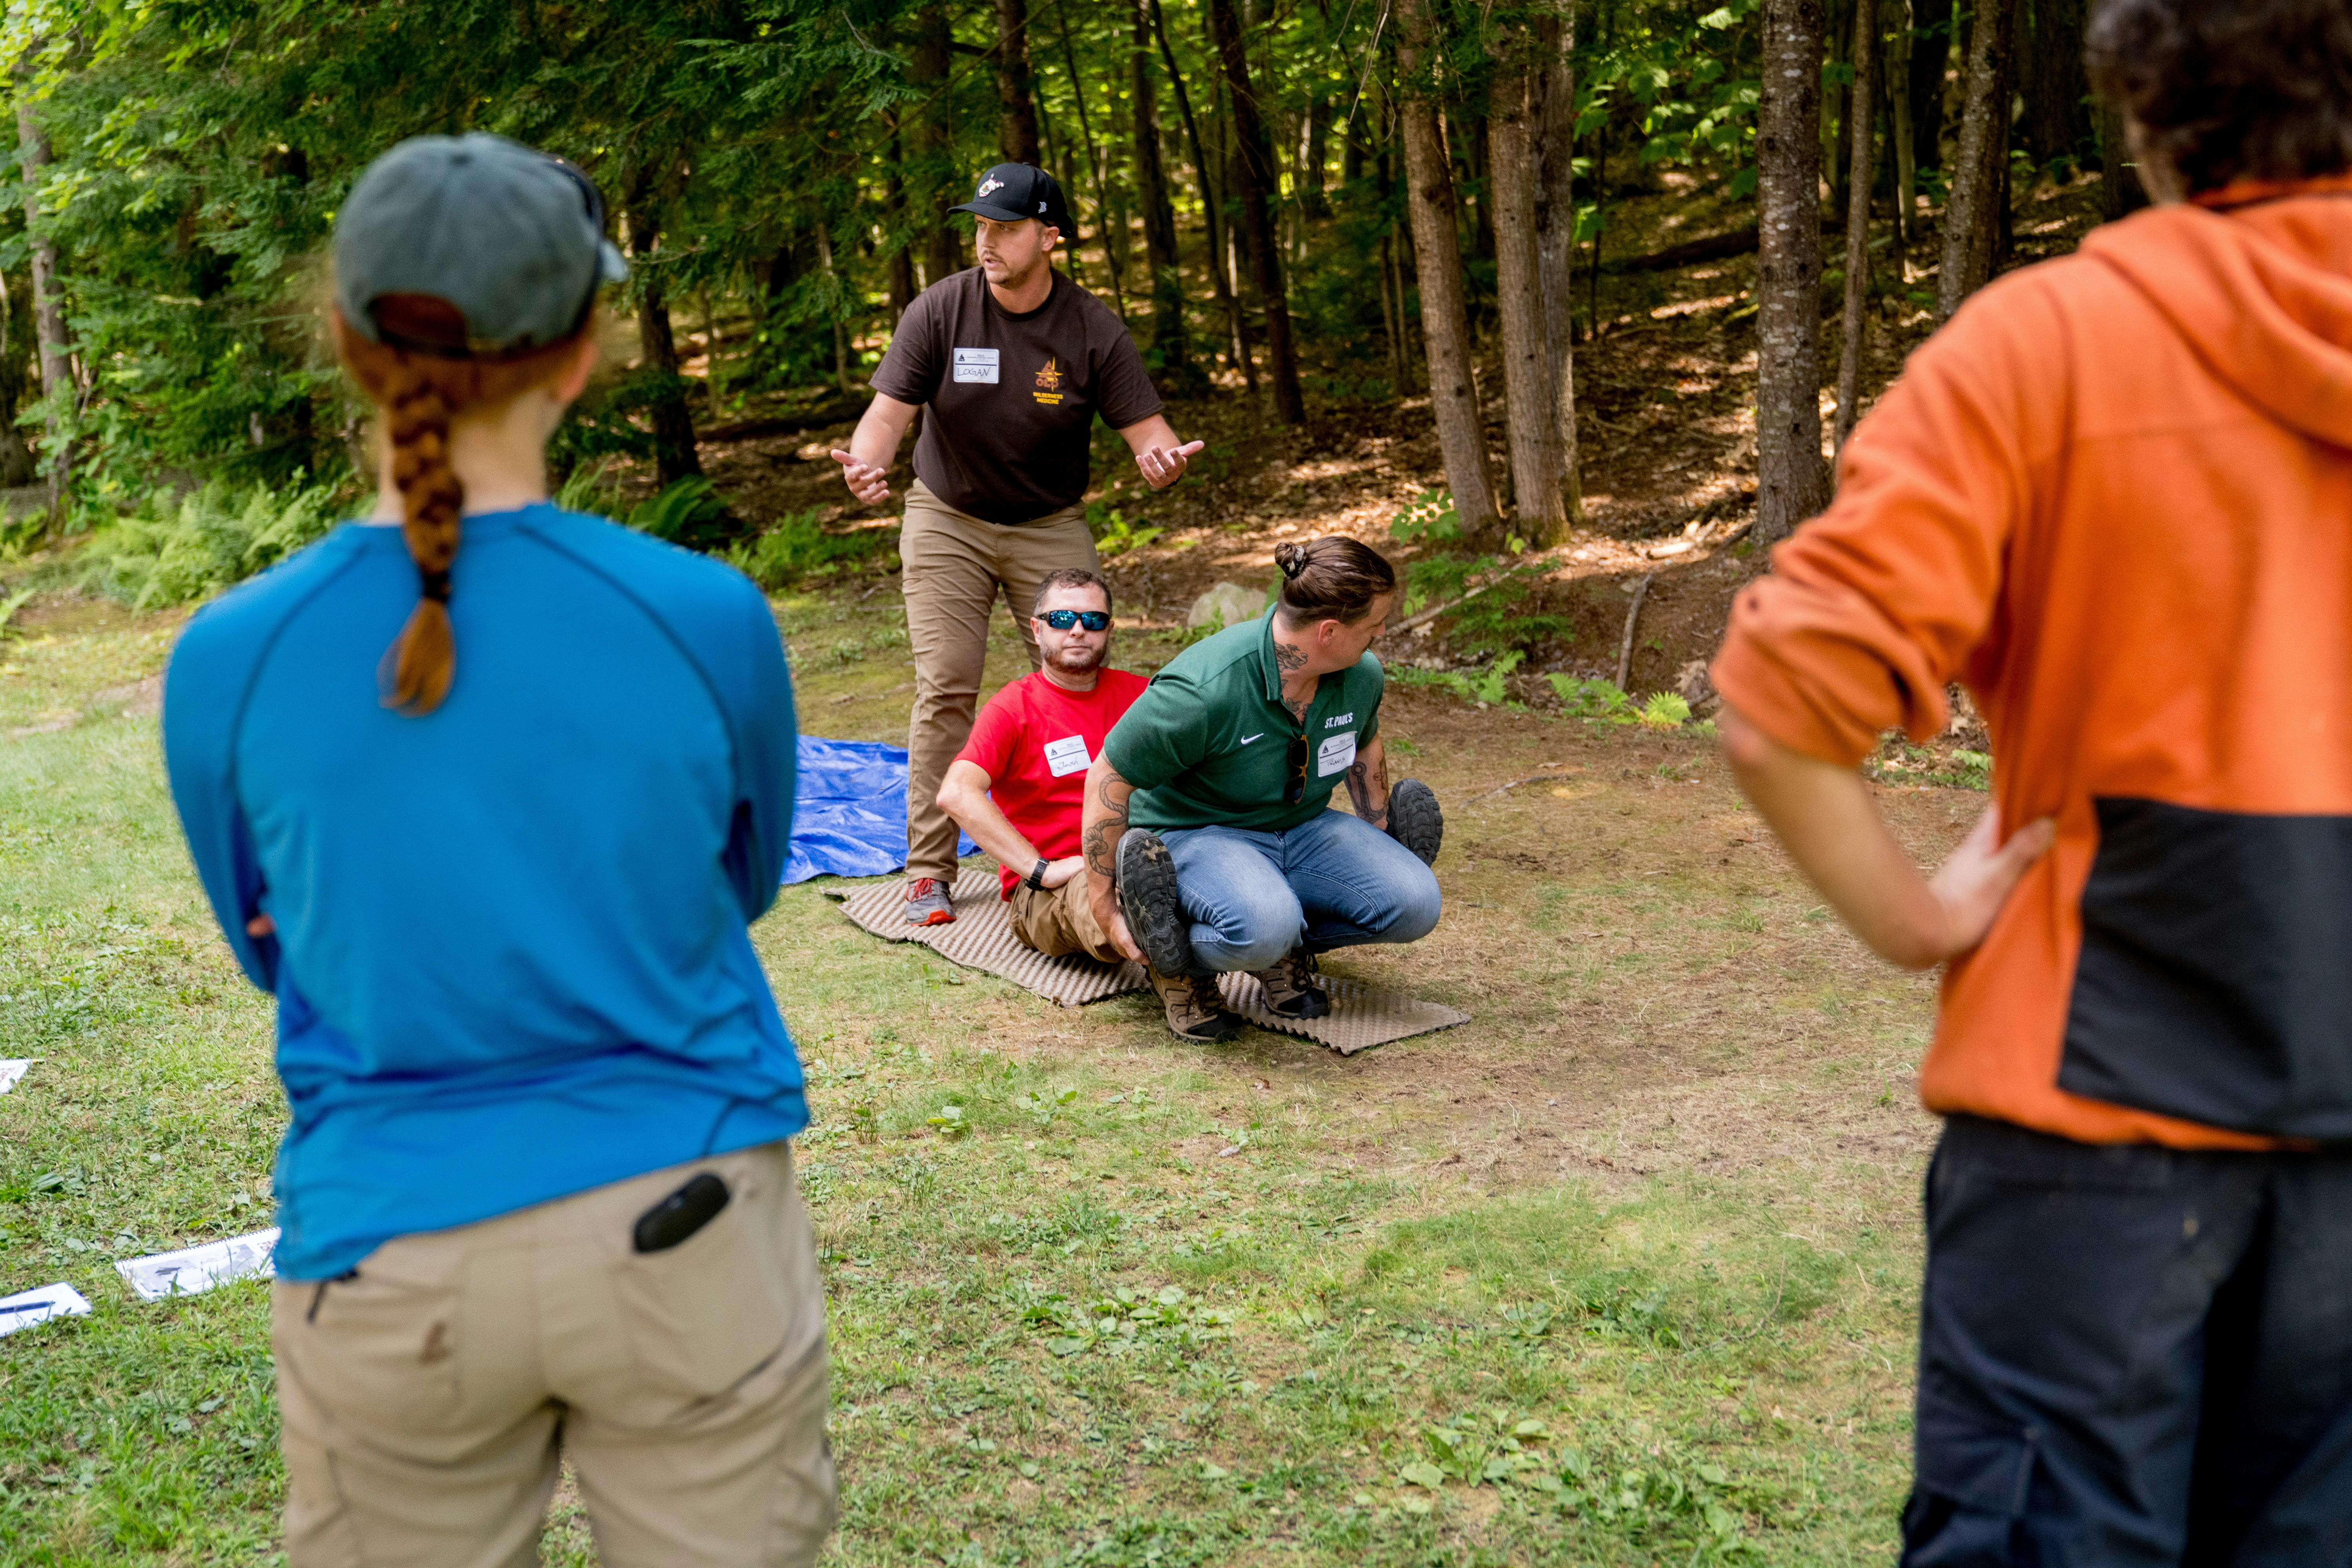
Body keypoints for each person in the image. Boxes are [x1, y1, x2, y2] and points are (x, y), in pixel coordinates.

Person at [1711, 2, 2352, 1558]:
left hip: (2090, 1125)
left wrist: (1921, 923)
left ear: (2144, 101)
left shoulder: (2050, 340)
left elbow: (1785, 691)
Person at [161, 134, 833, 1567]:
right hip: (690, 1214)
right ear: (583, 352)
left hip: (389, 1253)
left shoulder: (229, 658)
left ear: (345, 344)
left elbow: (266, 943)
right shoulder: (705, 615)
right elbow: (749, 878)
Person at [829, 162, 1206, 928]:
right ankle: (931, 871)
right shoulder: (941, 309)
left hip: (1048, 521)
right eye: (981, 226)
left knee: (1084, 670)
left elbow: (1150, 436)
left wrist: (1160, 461)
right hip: (948, 517)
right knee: (949, 681)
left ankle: (1105, 841)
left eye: (1005, 227)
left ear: (1050, 236)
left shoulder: (1091, 327)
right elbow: (886, 416)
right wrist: (867, 462)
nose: (987, 241)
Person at [1080, 538, 1445, 1040]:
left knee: (1417, 902)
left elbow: (1364, 743)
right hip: (1197, 830)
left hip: (1305, 825)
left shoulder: (1359, 674)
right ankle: (1178, 960)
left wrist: (1381, 829)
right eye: (1374, 623)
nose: (1382, 632)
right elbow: (1108, 776)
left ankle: (1280, 945)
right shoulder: (1203, 689)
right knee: (1263, 925)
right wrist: (1105, 906)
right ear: (1329, 631)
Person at [935, 568, 1146, 962]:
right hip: (1050, 892)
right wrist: (1041, 869)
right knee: (1108, 897)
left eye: (1094, 620)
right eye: (1063, 619)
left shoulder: (1142, 694)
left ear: (1109, 629)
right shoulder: (1014, 708)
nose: (1079, 630)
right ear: (1037, 629)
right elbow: (957, 793)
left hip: (1141, 860)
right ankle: (1162, 946)